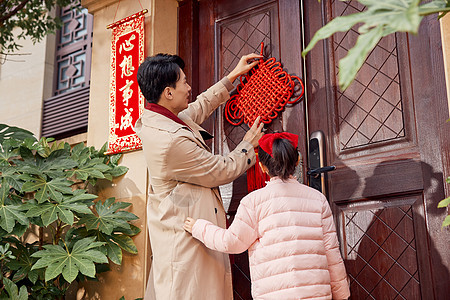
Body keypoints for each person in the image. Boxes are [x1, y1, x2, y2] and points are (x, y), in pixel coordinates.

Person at [134, 52, 264, 300]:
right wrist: (247, 146)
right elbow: (219, 170)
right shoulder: (169, 140)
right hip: (186, 242)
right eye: (183, 81)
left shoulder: (162, 117)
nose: (189, 87)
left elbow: (200, 105)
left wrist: (232, 77)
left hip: (186, 230)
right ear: (168, 93)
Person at [184, 132, 351, 300]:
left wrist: (199, 227)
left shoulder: (253, 202)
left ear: (262, 167)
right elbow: (331, 254)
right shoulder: (318, 200)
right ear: (297, 161)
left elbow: (231, 242)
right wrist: (342, 295)